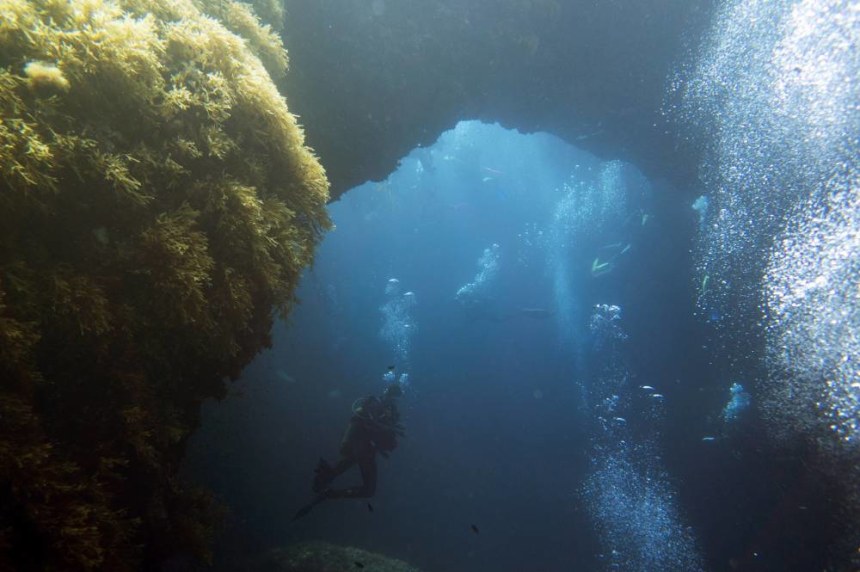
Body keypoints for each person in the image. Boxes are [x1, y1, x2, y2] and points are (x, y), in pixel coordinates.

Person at [293, 382, 404, 520]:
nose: (393, 401)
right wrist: (388, 429)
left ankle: (325, 481)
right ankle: (328, 492)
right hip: (363, 448)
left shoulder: (382, 408)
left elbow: (380, 433)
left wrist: (389, 431)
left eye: (395, 398)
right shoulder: (375, 405)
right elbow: (371, 426)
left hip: (360, 447)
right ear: (389, 394)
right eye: (393, 397)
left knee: (347, 470)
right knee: (369, 489)